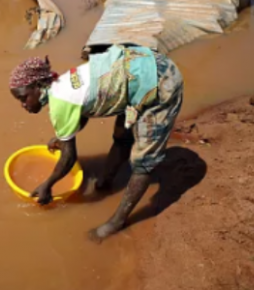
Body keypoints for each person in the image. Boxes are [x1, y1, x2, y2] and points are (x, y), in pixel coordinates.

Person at [9, 45, 183, 241]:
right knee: (122, 136)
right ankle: (106, 182)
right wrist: (62, 138)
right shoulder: (62, 83)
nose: (23, 105)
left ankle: (116, 223)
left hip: (161, 83)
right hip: (140, 66)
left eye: (24, 98)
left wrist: (48, 185)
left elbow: (69, 158)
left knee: (143, 163)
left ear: (37, 86)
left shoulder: (60, 104)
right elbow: (84, 110)